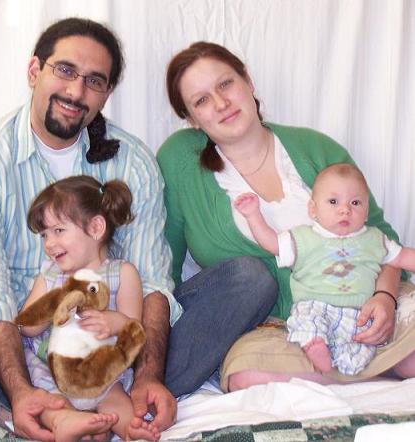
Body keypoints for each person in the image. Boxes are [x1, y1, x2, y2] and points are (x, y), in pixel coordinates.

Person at [0, 18, 178, 441]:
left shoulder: (132, 161)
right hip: (14, 350)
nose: (76, 91)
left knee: (243, 281)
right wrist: (21, 388)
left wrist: (147, 375)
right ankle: (25, 411)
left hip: (112, 352)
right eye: (65, 70)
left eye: (94, 81)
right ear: (35, 71)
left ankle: (134, 400)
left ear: (107, 93)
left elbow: (152, 283)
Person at [157, 41, 415, 395]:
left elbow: (382, 238)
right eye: (201, 100)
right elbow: (165, 261)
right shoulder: (181, 160)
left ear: (247, 80)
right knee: (245, 378)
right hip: (277, 328)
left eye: (226, 84)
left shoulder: (315, 148)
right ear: (191, 119)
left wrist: (385, 297)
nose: (220, 103)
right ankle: (379, 371)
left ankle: (372, 366)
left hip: (361, 304)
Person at [235, 163, 415, 375]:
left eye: (355, 203)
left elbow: (403, 257)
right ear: (313, 209)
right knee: (307, 323)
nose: (345, 209)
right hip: (314, 305)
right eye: (333, 202)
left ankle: (344, 370)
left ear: (366, 212)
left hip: (358, 314)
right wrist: (253, 215)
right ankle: (316, 347)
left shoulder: (375, 239)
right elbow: (271, 243)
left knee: (362, 347)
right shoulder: (303, 237)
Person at [19, 175, 160, 441]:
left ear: (96, 227)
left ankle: (130, 429)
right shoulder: (50, 276)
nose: (48, 244)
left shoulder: (122, 273)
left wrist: (114, 321)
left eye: (58, 231)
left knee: (115, 397)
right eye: (44, 235)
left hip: (102, 373)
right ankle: (68, 420)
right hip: (55, 372)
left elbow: (135, 329)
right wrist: (55, 302)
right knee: (46, 399)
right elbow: (27, 327)